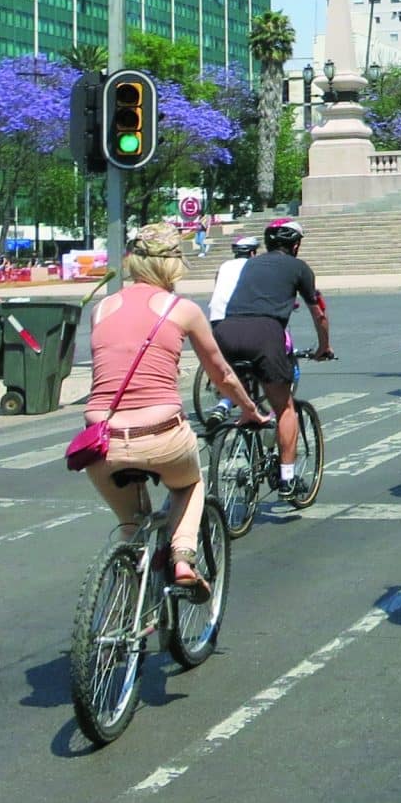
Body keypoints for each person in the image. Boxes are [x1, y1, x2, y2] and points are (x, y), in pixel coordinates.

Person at [83, 223, 258, 597]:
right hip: (161, 436)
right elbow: (222, 373)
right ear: (173, 266)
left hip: (100, 444)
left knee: (132, 524)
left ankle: (126, 600)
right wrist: (249, 409)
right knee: (191, 483)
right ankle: (182, 558)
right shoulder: (183, 310)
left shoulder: (101, 309)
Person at [210, 219, 334, 494]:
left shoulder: (251, 264)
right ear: (296, 245)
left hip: (226, 332)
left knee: (245, 390)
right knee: (285, 407)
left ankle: (231, 407)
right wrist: (324, 347)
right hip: (265, 334)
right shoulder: (299, 268)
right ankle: (287, 478)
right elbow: (319, 314)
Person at [209, 231, 258, 324]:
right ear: (252, 253)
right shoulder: (252, 265)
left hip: (216, 315)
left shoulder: (224, 265)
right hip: (238, 316)